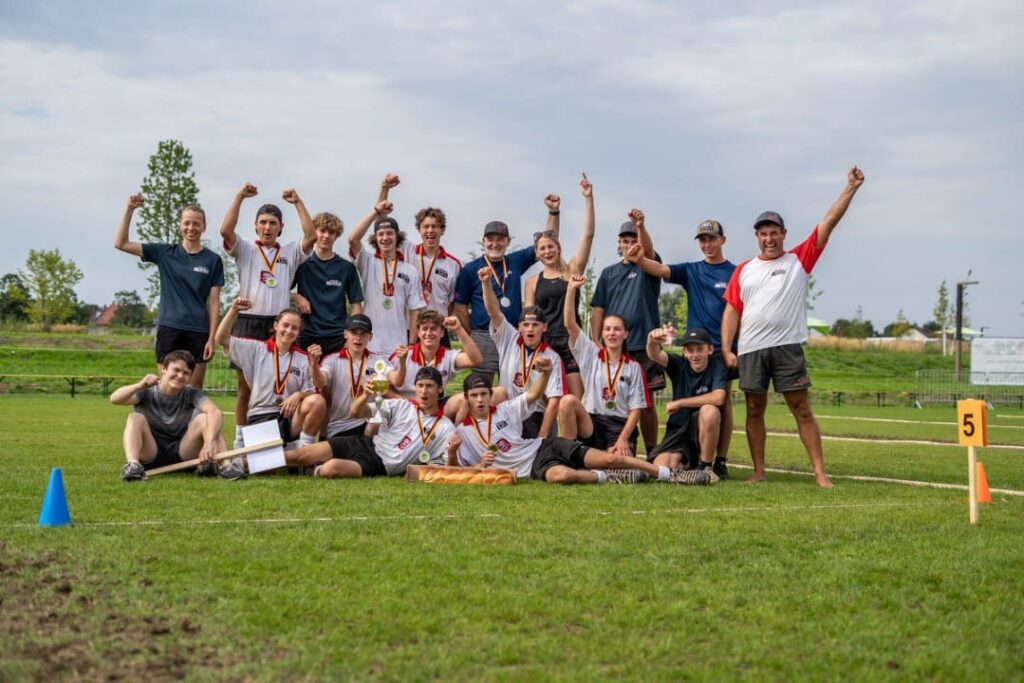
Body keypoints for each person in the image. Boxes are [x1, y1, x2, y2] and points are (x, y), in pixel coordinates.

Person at [721, 166, 866, 488]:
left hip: (787, 347)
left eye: (774, 233)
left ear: (783, 235)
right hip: (751, 350)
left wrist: (850, 188)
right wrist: (726, 348)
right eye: (763, 233)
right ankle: (759, 472)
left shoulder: (799, 259)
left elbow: (828, 222)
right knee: (754, 410)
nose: (769, 238)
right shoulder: (744, 270)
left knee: (801, 409)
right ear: (757, 237)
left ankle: (820, 473)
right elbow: (732, 310)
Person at [448, 359, 707, 485]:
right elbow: (457, 470)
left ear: (490, 395)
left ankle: (669, 475)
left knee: (611, 458)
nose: (480, 399)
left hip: (542, 448)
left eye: (484, 394)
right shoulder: (463, 432)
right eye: (475, 396)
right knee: (562, 477)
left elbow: (534, 394)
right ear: (467, 399)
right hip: (534, 469)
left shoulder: (503, 410)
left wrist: (547, 373)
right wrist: (479, 464)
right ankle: (611, 478)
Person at [625, 218, 736, 479]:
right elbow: (661, 270)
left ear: (723, 240)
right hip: (694, 348)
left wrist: (731, 348)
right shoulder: (692, 270)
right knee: (667, 462)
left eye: (712, 239)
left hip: (722, 348)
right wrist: (640, 260)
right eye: (703, 240)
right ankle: (693, 456)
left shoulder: (735, 272)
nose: (707, 244)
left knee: (723, 404)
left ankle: (718, 462)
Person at [220, 184, 316, 447]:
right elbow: (225, 231)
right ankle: (241, 439)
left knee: (280, 383)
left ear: (281, 227)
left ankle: (286, 438)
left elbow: (310, 236)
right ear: (255, 225)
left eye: (273, 223)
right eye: (262, 222)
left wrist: (297, 201)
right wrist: (239, 196)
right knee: (244, 387)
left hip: (279, 324)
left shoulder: (290, 252)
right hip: (249, 320)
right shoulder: (246, 249)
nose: (267, 227)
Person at [114, 195, 224, 389]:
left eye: (196, 224)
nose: (191, 228)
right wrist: (129, 209)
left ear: (204, 227)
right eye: (187, 223)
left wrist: (212, 339)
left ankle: (191, 421)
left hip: (198, 330)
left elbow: (214, 302)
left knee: (193, 391)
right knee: (167, 388)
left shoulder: (213, 260)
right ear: (180, 225)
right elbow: (121, 243)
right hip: (169, 328)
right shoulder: (164, 253)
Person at [453, 194, 561, 379]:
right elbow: (460, 307)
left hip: (512, 334)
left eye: (500, 239)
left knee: (513, 383)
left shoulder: (515, 260)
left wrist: (553, 211)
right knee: (481, 386)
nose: (495, 243)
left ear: (508, 241)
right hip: (483, 335)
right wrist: (472, 334)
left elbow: (547, 242)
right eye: (490, 239)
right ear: (484, 241)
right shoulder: (470, 269)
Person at [286, 367, 456, 479]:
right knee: (298, 455)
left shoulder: (445, 427)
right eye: (420, 385)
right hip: (363, 443)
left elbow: (446, 467)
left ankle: (310, 470)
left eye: (430, 386)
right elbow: (355, 412)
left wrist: (453, 450)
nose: (424, 391)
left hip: (377, 464)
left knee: (330, 469)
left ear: (440, 389)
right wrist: (366, 394)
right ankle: (260, 462)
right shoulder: (401, 405)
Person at [590, 209, 663, 454]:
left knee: (647, 405)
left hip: (645, 345)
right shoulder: (609, 273)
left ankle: (652, 450)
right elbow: (598, 308)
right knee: (613, 399)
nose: (630, 245)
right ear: (619, 244)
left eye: (634, 241)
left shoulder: (648, 267)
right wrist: (596, 339)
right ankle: (617, 442)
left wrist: (641, 226)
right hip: (615, 347)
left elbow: (650, 253)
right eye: (626, 241)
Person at [215, 298, 326, 452]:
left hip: (288, 417)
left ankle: (303, 453)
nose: (289, 331)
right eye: (285, 325)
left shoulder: (303, 358)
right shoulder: (255, 349)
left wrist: (299, 395)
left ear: (299, 332)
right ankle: (283, 450)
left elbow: (314, 389)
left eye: (294, 328)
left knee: (317, 401)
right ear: (276, 325)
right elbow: (221, 338)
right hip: (262, 415)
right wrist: (233, 310)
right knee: (266, 469)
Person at [556, 275, 649, 457]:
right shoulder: (590, 353)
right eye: (607, 329)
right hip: (592, 422)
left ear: (625, 334)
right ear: (602, 333)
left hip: (618, 425)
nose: (612, 333)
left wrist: (622, 439)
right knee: (567, 401)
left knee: (617, 462)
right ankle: (568, 456)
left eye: (617, 329)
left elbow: (636, 409)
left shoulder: (634, 367)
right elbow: (569, 324)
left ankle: (599, 457)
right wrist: (571, 290)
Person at [524, 173, 595, 398]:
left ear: (558, 247)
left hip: (571, 342)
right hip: (545, 344)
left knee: (575, 399)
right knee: (545, 400)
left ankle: (580, 435)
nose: (547, 251)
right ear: (537, 253)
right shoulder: (533, 282)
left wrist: (588, 198)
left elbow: (589, 235)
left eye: (551, 246)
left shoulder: (572, 271)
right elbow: (529, 320)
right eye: (542, 249)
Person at [111, 350, 231, 481]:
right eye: (176, 370)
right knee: (135, 417)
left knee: (206, 418)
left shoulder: (191, 393)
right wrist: (139, 386)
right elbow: (115, 399)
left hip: (183, 454)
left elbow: (215, 412)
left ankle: (226, 466)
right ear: (163, 369)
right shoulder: (146, 392)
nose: (180, 376)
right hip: (150, 453)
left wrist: (208, 444)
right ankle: (133, 465)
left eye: (186, 373)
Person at [477, 266, 564, 438]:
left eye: (535, 325)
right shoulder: (509, 337)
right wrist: (486, 283)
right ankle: (478, 437)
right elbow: (494, 312)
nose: (530, 329)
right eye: (526, 325)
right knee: (495, 392)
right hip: (507, 410)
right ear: (519, 327)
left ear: (544, 327)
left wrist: (542, 438)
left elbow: (554, 401)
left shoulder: (552, 357)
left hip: (533, 415)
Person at [377, 173, 463, 347]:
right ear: (419, 229)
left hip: (437, 330)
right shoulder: (407, 249)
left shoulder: (453, 264)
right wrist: (384, 189)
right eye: (426, 226)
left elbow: (452, 303)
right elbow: (381, 223)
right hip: (408, 328)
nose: (430, 231)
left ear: (442, 230)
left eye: (435, 226)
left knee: (439, 374)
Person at [347, 198, 426, 356]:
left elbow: (415, 311)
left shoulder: (409, 270)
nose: (385, 238)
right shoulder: (367, 261)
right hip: (370, 345)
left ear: (397, 236)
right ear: (375, 238)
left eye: (389, 233)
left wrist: (411, 345)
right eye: (380, 234)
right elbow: (353, 239)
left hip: (398, 347)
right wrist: (376, 211)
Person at [307, 314, 405, 439]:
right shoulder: (332, 360)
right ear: (345, 334)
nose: (358, 338)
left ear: (370, 336)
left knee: (386, 409)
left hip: (368, 424)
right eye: (354, 332)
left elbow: (397, 381)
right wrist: (314, 364)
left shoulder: (378, 360)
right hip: (339, 426)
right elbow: (320, 383)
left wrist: (402, 362)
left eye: (363, 333)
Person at [646, 327, 726, 480]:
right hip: (677, 429)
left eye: (700, 349)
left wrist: (680, 403)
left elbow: (718, 397)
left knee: (710, 411)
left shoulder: (716, 367)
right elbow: (655, 354)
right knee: (662, 469)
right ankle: (688, 465)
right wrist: (651, 340)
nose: (695, 355)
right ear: (684, 352)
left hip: (699, 429)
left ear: (710, 350)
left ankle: (705, 467)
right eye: (690, 350)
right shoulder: (679, 364)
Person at [292, 211, 364, 355]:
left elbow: (356, 305)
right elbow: (279, 289)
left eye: (331, 232)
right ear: (314, 232)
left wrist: (350, 337)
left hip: (337, 337)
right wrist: (295, 296)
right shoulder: (301, 264)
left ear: (336, 236)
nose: (326, 236)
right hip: (307, 336)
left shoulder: (346, 268)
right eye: (322, 231)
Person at [390, 310, 483, 420]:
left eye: (434, 329)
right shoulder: (402, 355)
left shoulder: (447, 355)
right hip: (406, 405)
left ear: (442, 332)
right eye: (425, 329)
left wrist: (459, 329)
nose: (429, 333)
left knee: (465, 400)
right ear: (418, 332)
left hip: (436, 405)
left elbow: (476, 360)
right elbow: (384, 387)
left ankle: (455, 435)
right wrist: (402, 400)